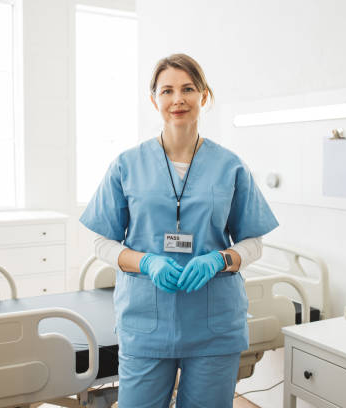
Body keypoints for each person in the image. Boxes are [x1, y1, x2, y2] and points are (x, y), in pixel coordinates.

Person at [80, 53, 278, 407]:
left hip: (214, 321)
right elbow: (102, 242)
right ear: (154, 99)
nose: (178, 99)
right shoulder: (127, 165)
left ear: (204, 95)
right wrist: (146, 262)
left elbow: (253, 242)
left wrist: (221, 259)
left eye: (188, 88)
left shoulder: (230, 165)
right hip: (146, 320)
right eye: (167, 90)